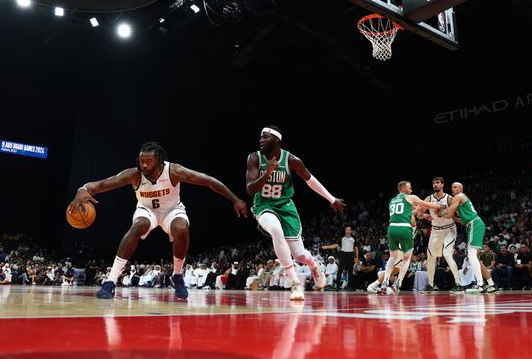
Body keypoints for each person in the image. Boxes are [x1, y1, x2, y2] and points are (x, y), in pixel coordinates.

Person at [69, 141, 247, 301]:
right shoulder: (134, 175)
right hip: (147, 210)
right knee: (138, 226)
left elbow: (208, 181)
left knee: (182, 228)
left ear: (160, 161)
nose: (143, 165)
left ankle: (177, 276)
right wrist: (82, 189)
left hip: (172, 210)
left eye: (148, 161)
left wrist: (235, 199)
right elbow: (102, 184)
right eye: (141, 161)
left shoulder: (174, 171)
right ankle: (111, 281)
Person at [246, 125, 345, 300]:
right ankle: (295, 284)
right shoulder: (254, 158)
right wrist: (267, 173)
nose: (261, 140)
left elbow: (311, 180)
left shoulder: (291, 160)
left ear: (276, 140)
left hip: (285, 207)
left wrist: (331, 199)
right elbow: (250, 190)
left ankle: (314, 266)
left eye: (265, 137)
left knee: (300, 255)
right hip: (264, 205)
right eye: (260, 137)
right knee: (276, 230)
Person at [372, 181, 440, 294]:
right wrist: (438, 206)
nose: (411, 189)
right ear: (404, 189)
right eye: (409, 187)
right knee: (407, 258)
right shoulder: (410, 197)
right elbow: (425, 204)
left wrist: (418, 211)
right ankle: (398, 283)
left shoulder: (392, 200)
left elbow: (407, 212)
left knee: (392, 257)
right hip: (404, 228)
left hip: (392, 229)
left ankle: (385, 283)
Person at [429, 182, 491, 293]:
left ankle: (481, 285)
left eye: (455, 187)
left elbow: (448, 214)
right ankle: (488, 284)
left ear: (461, 189)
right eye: (452, 187)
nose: (452, 188)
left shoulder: (459, 196)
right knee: (474, 256)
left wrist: (441, 213)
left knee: (471, 255)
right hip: (472, 225)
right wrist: (450, 216)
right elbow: (462, 220)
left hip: (474, 224)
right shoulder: (460, 202)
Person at [416, 177, 464, 293]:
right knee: (431, 256)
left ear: (442, 185)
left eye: (437, 183)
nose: (435, 185)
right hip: (436, 230)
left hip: (449, 230)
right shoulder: (429, 198)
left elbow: (460, 214)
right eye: (433, 183)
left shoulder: (449, 198)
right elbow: (419, 214)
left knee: (447, 254)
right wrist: (424, 216)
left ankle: (458, 283)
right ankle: (430, 284)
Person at [322, 226, 357, 291]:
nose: (348, 231)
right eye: (347, 230)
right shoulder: (341, 238)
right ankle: (337, 286)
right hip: (343, 254)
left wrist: (357, 257)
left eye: (349, 230)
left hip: (351, 254)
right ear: (345, 231)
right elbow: (335, 245)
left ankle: (349, 286)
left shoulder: (353, 238)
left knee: (350, 271)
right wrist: (327, 247)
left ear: (351, 231)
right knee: (340, 270)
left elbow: (356, 248)